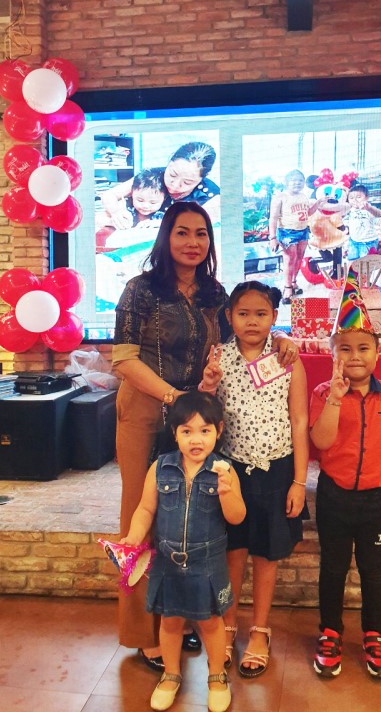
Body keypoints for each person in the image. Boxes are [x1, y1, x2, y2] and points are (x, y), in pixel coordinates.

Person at [112, 201, 298, 670]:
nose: (192, 242)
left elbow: (243, 332)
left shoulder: (214, 292)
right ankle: (145, 633)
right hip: (147, 410)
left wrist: (280, 339)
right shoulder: (141, 289)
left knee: (191, 517)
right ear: (166, 236)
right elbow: (124, 359)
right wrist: (173, 396)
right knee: (142, 515)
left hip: (196, 418)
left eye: (201, 234)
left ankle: (181, 617)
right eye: (182, 232)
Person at [308, 268, 381, 681]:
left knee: (374, 569)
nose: (354, 356)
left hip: (377, 500)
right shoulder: (324, 394)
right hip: (334, 497)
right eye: (345, 349)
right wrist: (336, 400)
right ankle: (330, 632)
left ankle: (375, 633)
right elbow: (321, 441)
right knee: (333, 567)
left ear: (377, 352)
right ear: (333, 353)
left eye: (362, 348)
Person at [199, 281, 309, 679]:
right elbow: (205, 417)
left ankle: (260, 630)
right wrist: (207, 385)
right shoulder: (219, 357)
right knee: (232, 552)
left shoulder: (287, 357)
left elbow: (299, 420)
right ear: (229, 316)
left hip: (277, 470)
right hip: (230, 470)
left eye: (261, 314)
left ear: (274, 317)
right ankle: (228, 625)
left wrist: (299, 482)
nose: (252, 321)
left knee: (267, 554)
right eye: (243, 313)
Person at [121, 391, 246, 712]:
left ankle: (217, 677)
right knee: (170, 622)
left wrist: (227, 493)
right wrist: (134, 535)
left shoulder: (224, 470)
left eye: (205, 430)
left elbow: (237, 517)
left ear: (218, 431)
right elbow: (146, 509)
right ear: (174, 433)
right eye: (187, 431)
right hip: (168, 562)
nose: (196, 439)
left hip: (208, 564)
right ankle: (171, 675)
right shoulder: (160, 467)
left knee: (211, 624)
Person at [101, 141, 220, 228]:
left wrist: (167, 224)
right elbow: (109, 195)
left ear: (202, 178)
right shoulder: (151, 177)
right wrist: (116, 213)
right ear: (170, 162)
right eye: (172, 174)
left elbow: (204, 223)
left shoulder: (211, 194)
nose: (175, 185)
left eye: (187, 182)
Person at [269, 169, 324, 303]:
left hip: (303, 231)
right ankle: (287, 288)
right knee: (289, 260)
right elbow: (273, 218)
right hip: (287, 233)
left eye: (300, 180)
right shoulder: (280, 197)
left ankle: (294, 282)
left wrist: (318, 203)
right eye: (294, 180)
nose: (297, 183)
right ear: (286, 182)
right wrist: (272, 238)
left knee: (299, 258)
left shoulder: (303, 196)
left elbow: (308, 213)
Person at [96, 168, 166, 249]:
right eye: (140, 200)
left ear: (164, 199)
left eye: (153, 203)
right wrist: (113, 221)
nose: (145, 206)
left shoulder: (162, 215)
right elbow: (98, 219)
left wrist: (160, 224)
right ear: (131, 193)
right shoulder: (127, 209)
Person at [340, 183, 381, 261]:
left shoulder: (369, 209)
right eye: (351, 198)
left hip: (368, 242)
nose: (354, 200)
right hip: (353, 241)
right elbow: (345, 220)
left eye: (358, 197)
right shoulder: (350, 210)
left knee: (366, 264)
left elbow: (380, 214)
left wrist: (369, 208)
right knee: (352, 261)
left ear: (366, 198)